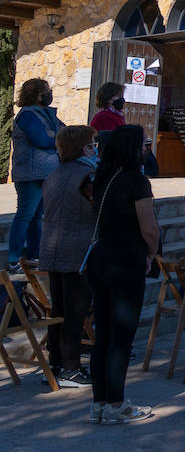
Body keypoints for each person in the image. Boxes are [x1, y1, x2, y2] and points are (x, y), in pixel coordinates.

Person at [85, 125, 159, 425]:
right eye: (143, 143)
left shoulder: (102, 177)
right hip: (126, 258)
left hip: (100, 257)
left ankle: (100, 402)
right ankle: (117, 403)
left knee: (102, 334)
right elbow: (149, 226)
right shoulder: (135, 180)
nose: (147, 147)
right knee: (121, 337)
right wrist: (152, 252)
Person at [38, 125, 98, 388]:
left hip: (54, 249)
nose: (96, 147)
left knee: (59, 310)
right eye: (93, 143)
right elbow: (96, 207)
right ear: (84, 148)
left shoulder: (54, 175)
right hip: (77, 251)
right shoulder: (87, 176)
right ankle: (70, 367)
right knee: (74, 311)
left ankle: (55, 363)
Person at [9, 78, 64, 272]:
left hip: (46, 172)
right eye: (46, 91)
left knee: (37, 217)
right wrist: (56, 139)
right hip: (30, 174)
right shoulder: (27, 115)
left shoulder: (47, 114)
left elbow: (65, 133)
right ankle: (14, 259)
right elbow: (41, 139)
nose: (50, 94)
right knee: (25, 215)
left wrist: (56, 137)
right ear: (37, 94)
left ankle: (34, 255)